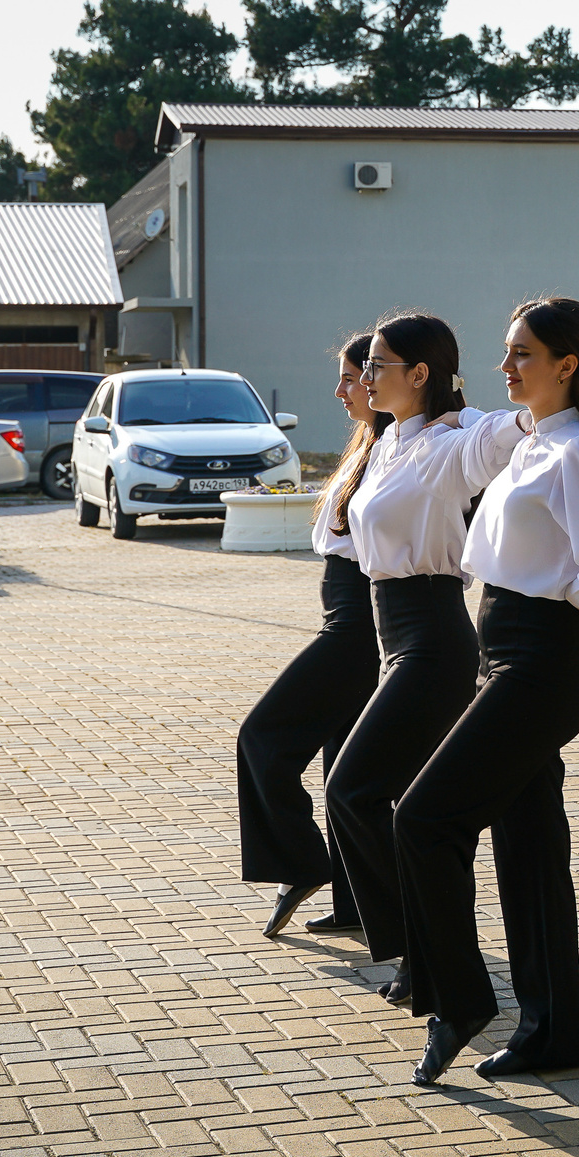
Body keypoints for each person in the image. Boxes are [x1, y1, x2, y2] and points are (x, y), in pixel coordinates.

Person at [395, 297, 579, 1086]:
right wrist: (574, 582)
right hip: (505, 653)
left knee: (422, 817)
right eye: (507, 350)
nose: (506, 366)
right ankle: (553, 1032)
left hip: (542, 666)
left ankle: (461, 999)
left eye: (522, 353)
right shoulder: (535, 444)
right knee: (529, 849)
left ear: (567, 364)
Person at [321, 315, 526, 1007]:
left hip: (435, 640)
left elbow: (506, 431)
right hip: (395, 639)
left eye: (379, 365)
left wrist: (546, 408)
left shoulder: (447, 442)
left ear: (420, 375)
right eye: (366, 365)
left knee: (350, 790)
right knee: (409, 811)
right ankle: (427, 953)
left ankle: (422, 947)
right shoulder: (387, 444)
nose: (366, 375)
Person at [236, 336, 379, 938]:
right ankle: (356, 904)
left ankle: (302, 864)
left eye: (350, 379)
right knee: (340, 766)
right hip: (345, 622)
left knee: (262, 739)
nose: (339, 391)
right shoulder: (370, 444)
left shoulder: (408, 449)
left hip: (358, 628)